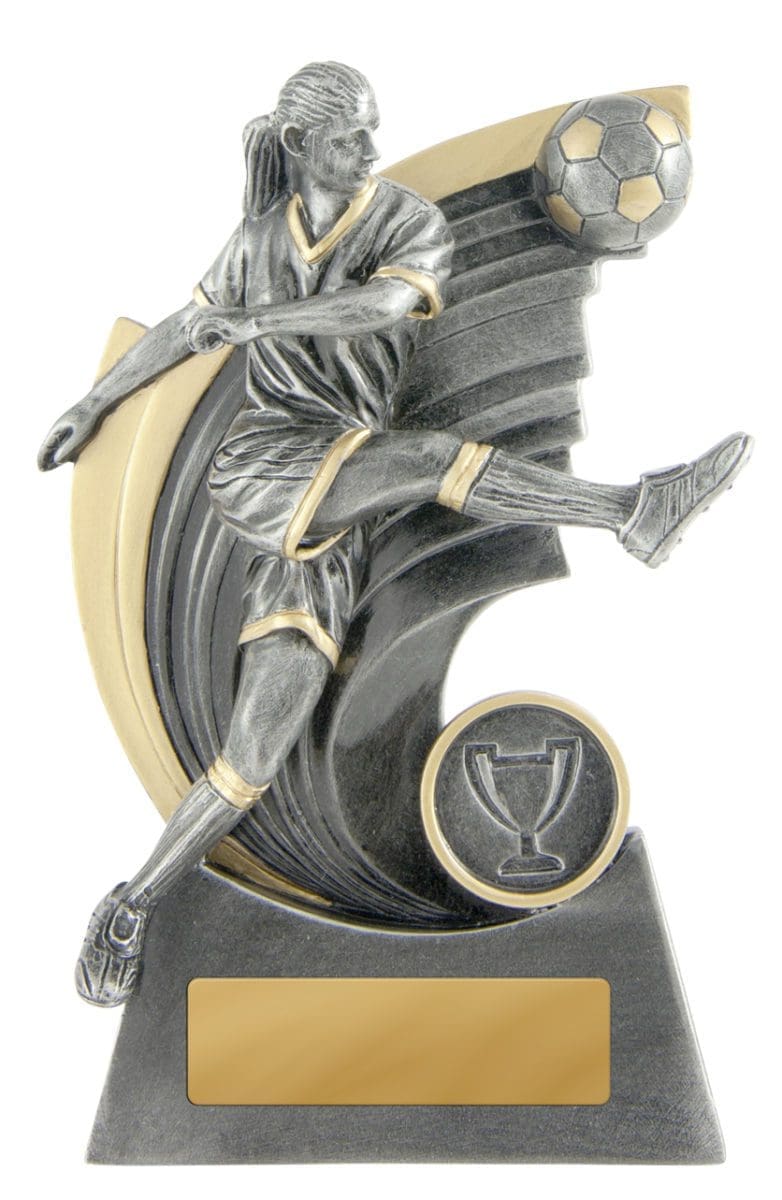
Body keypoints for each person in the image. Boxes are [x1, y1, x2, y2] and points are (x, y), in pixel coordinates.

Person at [39, 61, 750, 1007]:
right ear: (302, 145)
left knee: (253, 761)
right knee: (427, 460)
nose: (370, 150)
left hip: (328, 519)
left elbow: (378, 305)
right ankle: (633, 511)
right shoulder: (258, 240)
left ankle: (133, 903)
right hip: (265, 466)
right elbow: (186, 327)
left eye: (374, 130)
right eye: (349, 137)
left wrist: (255, 322)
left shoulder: (409, 222)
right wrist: (92, 404)